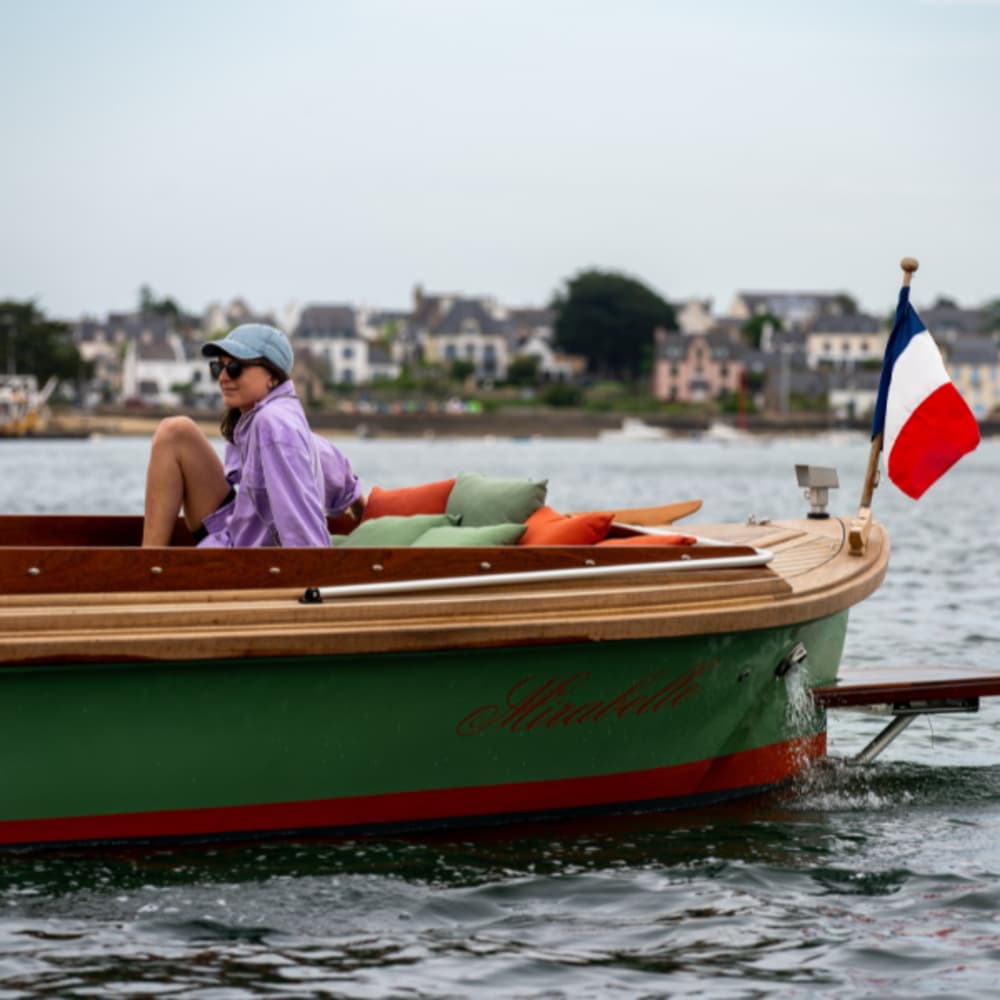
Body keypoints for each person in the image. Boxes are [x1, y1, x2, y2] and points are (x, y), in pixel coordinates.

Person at [141, 323, 363, 548]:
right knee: (176, 432)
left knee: (172, 432)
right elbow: (345, 483)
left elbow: (299, 527)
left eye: (236, 367)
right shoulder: (284, 420)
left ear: (272, 377)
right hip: (236, 531)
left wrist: (309, 575)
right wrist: (363, 516)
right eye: (219, 367)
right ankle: (148, 563)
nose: (223, 377)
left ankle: (146, 570)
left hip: (249, 562)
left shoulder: (273, 423)